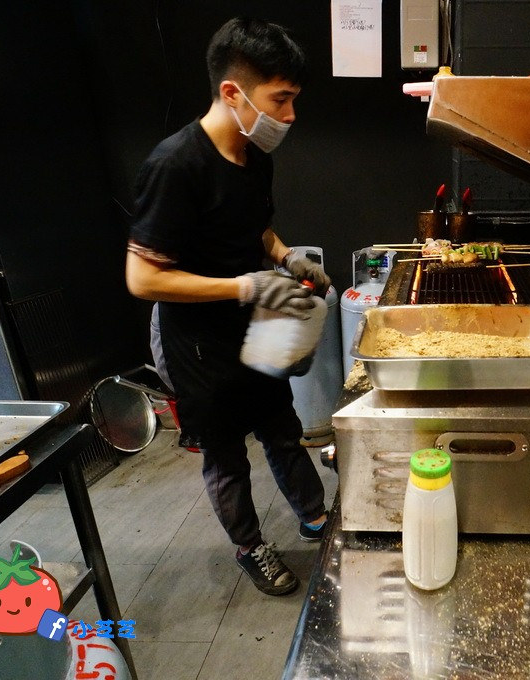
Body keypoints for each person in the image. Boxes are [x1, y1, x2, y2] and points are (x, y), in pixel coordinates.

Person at [125, 17, 330, 596]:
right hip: (195, 341)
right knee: (225, 452)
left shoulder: (253, 152)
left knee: (281, 426)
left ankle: (315, 515)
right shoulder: (175, 165)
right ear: (233, 92)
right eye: (281, 99)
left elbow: (257, 229)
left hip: (255, 324)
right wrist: (242, 287)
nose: (289, 116)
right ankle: (250, 546)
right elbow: (142, 278)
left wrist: (287, 259)